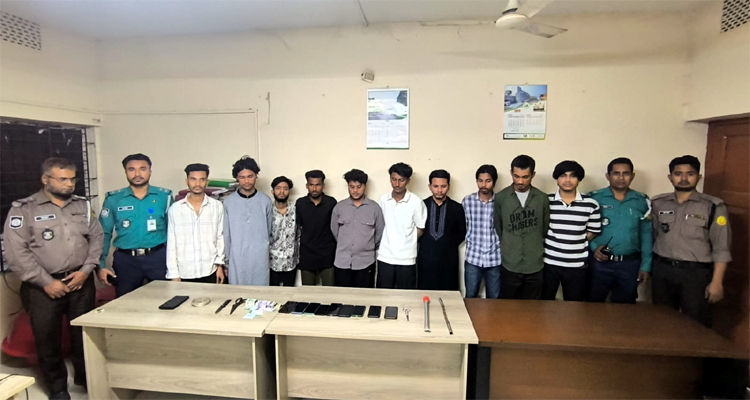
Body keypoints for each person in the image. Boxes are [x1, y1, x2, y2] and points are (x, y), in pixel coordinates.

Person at [4, 158, 104, 400]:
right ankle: (57, 387)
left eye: (72, 179)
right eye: (63, 179)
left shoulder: (81, 205)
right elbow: (16, 252)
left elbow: (97, 237)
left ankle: (86, 377)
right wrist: (46, 281)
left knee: (84, 335)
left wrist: (86, 270)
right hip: (42, 287)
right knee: (47, 339)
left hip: (80, 281)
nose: (69, 184)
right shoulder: (24, 209)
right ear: (45, 179)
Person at [651, 155, 731, 327]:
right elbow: (653, 235)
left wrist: (717, 282)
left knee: (696, 324)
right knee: (661, 321)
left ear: (698, 177)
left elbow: (721, 247)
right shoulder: (658, 203)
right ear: (670, 177)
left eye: (690, 174)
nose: (684, 178)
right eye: (678, 174)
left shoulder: (713, 206)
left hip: (695, 274)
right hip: (662, 271)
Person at [98, 153, 173, 297]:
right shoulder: (113, 199)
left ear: (150, 171)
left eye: (143, 169)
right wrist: (100, 265)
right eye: (131, 169)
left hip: (158, 258)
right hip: (126, 260)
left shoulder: (164, 197)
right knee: (126, 303)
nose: (137, 174)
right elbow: (104, 234)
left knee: (164, 300)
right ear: (125, 172)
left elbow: (173, 232)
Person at [588, 158, 652, 303]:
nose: (621, 177)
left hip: (629, 265)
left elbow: (646, 235)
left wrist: (646, 266)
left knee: (625, 309)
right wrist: (593, 248)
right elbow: (582, 229)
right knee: (592, 306)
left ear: (632, 176)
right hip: (599, 263)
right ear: (608, 176)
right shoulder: (594, 199)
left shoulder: (641, 201)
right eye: (616, 173)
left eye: (626, 173)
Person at [542, 160, 601, 301]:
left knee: (574, 304)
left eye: (572, 176)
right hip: (549, 263)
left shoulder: (591, 204)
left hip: (577, 265)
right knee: (544, 303)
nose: (567, 180)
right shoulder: (546, 201)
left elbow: (592, 231)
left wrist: (574, 241)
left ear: (579, 179)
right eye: (563, 175)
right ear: (557, 179)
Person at [494, 155, 550, 300]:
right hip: (510, 263)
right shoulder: (501, 197)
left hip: (535, 263)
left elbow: (544, 228)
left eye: (525, 177)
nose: (520, 181)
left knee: (533, 307)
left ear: (533, 175)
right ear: (511, 173)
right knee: (508, 306)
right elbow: (499, 227)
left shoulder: (542, 198)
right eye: (516, 176)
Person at [166, 163, 225, 283]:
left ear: (207, 182)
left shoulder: (217, 206)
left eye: (202, 179)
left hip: (210, 270)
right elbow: (172, 243)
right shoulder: (175, 209)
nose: (197, 184)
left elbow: (220, 237)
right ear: (186, 181)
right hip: (184, 272)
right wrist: (173, 274)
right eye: (193, 179)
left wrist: (220, 266)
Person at [223, 156, 273, 285]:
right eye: (242, 177)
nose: (246, 181)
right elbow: (226, 235)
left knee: (260, 292)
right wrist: (226, 262)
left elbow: (268, 231)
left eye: (250, 176)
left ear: (256, 176)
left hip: (260, 257)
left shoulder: (265, 201)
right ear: (237, 178)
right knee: (238, 293)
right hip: (237, 258)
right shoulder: (228, 203)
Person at [376, 162, 427, 289]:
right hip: (385, 256)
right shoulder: (383, 200)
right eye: (394, 179)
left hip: (407, 258)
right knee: (382, 294)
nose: (397, 184)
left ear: (408, 180)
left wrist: (406, 241)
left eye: (401, 180)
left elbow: (420, 228)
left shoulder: (416, 202)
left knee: (406, 296)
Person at [331, 169, 385, 288]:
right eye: (352, 187)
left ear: (365, 186)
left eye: (359, 187)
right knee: (342, 296)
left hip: (366, 262)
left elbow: (379, 234)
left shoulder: (375, 208)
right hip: (342, 262)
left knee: (364, 296)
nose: (355, 190)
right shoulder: (339, 207)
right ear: (348, 187)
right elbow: (335, 232)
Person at [417, 169, 466, 290]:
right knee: (424, 292)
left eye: (443, 186)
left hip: (449, 259)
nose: (439, 190)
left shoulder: (457, 208)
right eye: (436, 186)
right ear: (429, 187)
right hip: (425, 258)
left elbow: (462, 233)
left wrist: (447, 244)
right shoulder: (421, 205)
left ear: (449, 186)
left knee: (448, 293)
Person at [462, 164, 502, 298]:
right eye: (480, 181)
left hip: (495, 258)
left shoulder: (501, 202)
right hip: (473, 257)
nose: (483, 185)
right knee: (470, 297)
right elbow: (463, 226)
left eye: (488, 181)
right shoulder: (467, 201)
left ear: (494, 182)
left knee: (494, 299)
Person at [295, 170, 336, 286]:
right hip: (307, 253)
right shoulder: (300, 203)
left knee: (330, 291)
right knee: (308, 292)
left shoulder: (331, 203)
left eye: (317, 185)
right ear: (307, 186)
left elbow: (335, 227)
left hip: (327, 253)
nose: (314, 188)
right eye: (311, 185)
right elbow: (300, 226)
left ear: (323, 185)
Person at [269, 176, 299, 286]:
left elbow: (299, 234)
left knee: (289, 294)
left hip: (291, 261)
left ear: (289, 191)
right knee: (272, 294)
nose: (282, 192)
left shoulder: (296, 210)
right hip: (272, 262)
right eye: (278, 188)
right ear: (272, 191)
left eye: (285, 188)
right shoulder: (268, 210)